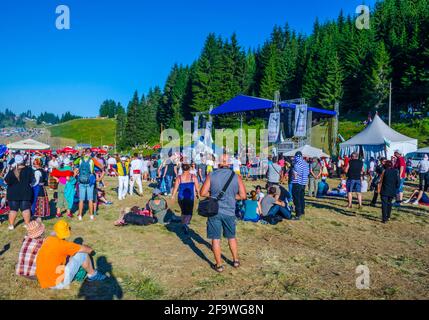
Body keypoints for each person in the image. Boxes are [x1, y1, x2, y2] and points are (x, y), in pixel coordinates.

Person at [200, 154, 247, 273]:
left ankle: (219, 265)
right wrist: (231, 197)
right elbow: (243, 196)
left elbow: (203, 193)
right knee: (231, 237)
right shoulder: (236, 177)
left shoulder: (212, 175)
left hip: (214, 210)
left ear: (218, 163)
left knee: (215, 239)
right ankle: (235, 260)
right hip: (230, 211)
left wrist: (214, 196)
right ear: (230, 163)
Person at [36, 220, 106, 289]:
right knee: (82, 254)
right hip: (57, 283)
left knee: (70, 257)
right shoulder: (64, 245)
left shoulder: (48, 240)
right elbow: (89, 250)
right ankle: (93, 275)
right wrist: (81, 246)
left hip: (43, 280)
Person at [5, 155, 34, 230]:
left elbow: (6, 181)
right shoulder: (29, 169)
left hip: (13, 193)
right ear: (23, 161)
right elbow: (32, 180)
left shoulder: (12, 170)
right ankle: (27, 224)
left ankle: (11, 225)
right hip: (25, 192)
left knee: (13, 209)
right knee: (25, 209)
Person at [171, 163, 200, 234]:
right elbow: (197, 187)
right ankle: (186, 223)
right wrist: (198, 194)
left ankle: (184, 223)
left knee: (183, 210)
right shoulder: (193, 177)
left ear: (182, 169)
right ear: (189, 168)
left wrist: (173, 196)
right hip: (190, 196)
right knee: (189, 211)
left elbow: (175, 188)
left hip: (181, 196)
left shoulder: (179, 177)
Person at [77, 149, 96, 221]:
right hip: (89, 182)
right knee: (90, 199)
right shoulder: (91, 160)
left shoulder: (80, 160)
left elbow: (76, 165)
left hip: (81, 181)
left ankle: (80, 215)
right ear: (90, 153)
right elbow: (92, 170)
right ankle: (91, 215)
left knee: (81, 200)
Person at [291, 151, 309, 220]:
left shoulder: (297, 164)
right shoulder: (306, 163)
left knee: (296, 198)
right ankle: (302, 211)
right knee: (301, 197)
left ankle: (298, 214)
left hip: (297, 182)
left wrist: (293, 170)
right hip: (303, 183)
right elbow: (307, 173)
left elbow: (295, 174)